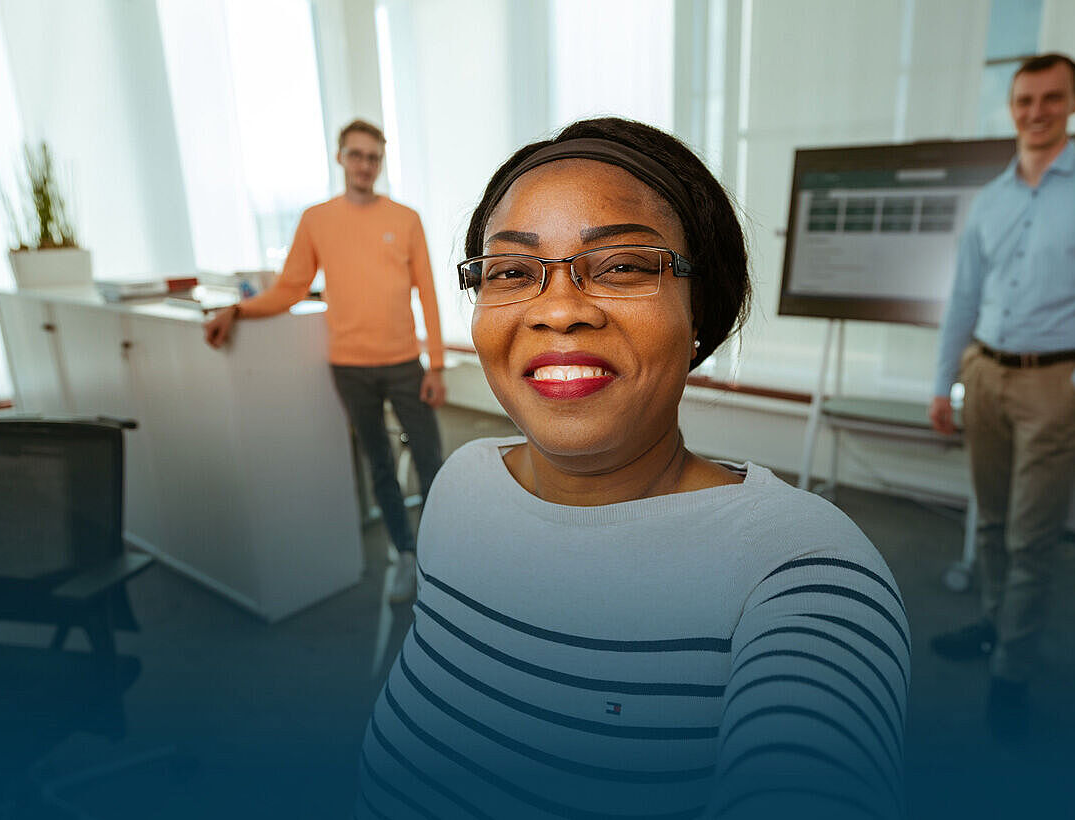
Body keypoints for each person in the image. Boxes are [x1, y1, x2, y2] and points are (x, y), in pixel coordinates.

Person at [354, 118, 909, 819]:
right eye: (512, 272)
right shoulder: (463, 483)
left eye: (622, 266)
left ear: (698, 308)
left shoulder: (799, 571)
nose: (557, 310)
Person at [928, 53, 1075, 740]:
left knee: (1030, 534)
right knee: (989, 522)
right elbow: (963, 296)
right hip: (985, 373)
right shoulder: (991, 198)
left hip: (1057, 380)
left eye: (1051, 98)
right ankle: (995, 626)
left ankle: (1011, 672)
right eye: (1024, 99)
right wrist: (945, 382)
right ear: (1012, 105)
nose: (1035, 111)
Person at [204, 119, 445, 604]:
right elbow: (291, 287)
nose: (364, 165)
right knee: (378, 463)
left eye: (373, 157)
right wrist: (238, 309)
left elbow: (428, 294)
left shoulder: (406, 218)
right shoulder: (317, 219)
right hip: (350, 367)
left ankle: (445, 561)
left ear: (381, 163)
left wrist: (435, 364)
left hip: (404, 363)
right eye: (356, 155)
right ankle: (403, 554)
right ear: (340, 157)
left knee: (431, 461)